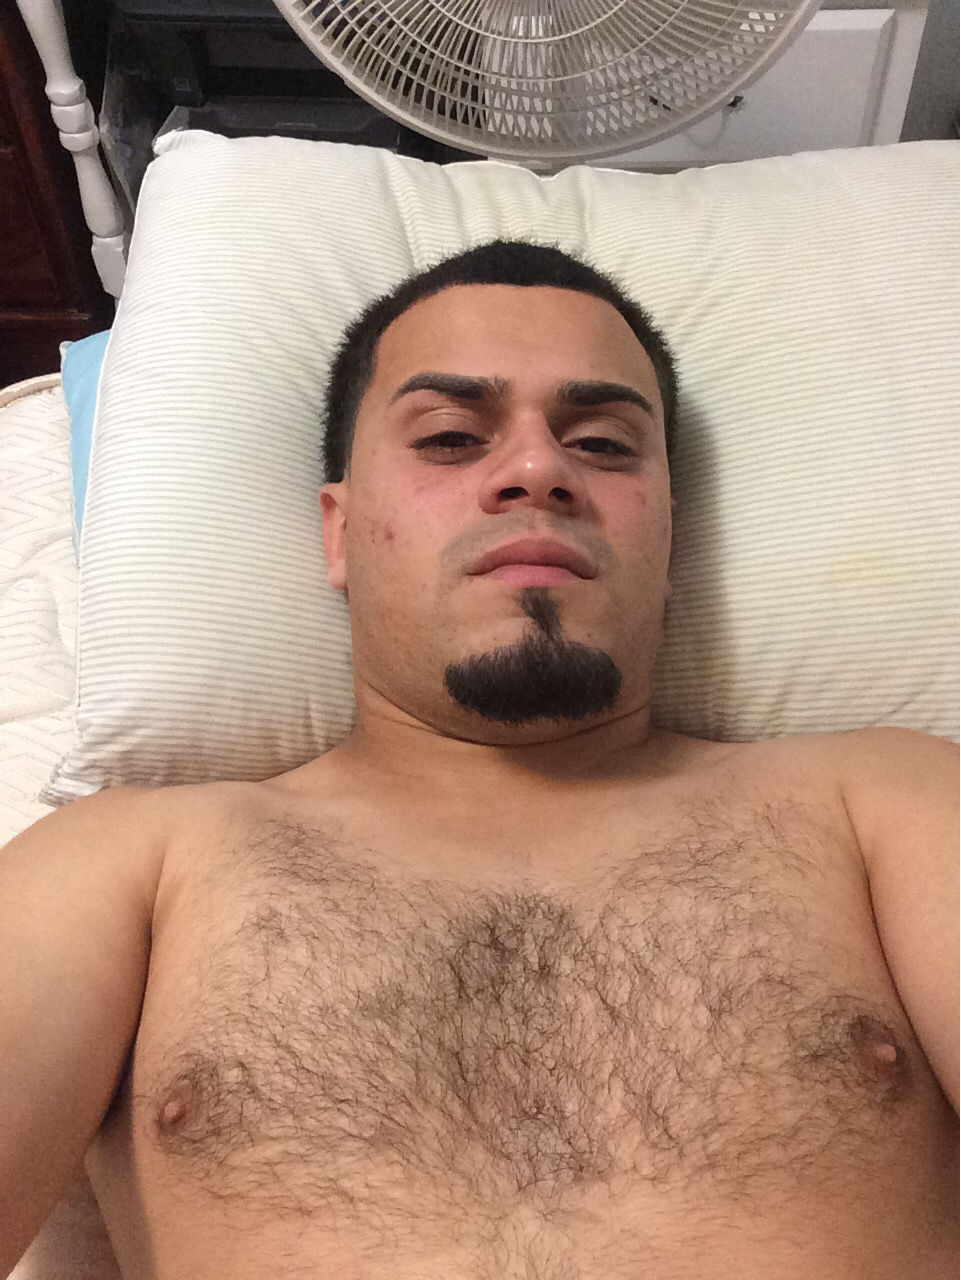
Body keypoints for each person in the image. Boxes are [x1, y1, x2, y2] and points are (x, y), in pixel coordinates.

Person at [2, 239, 957, 1280]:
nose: (539, 470)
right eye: (452, 436)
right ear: (339, 531)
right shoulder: (133, 863)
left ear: (671, 542)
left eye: (602, 444)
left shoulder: (882, 805)